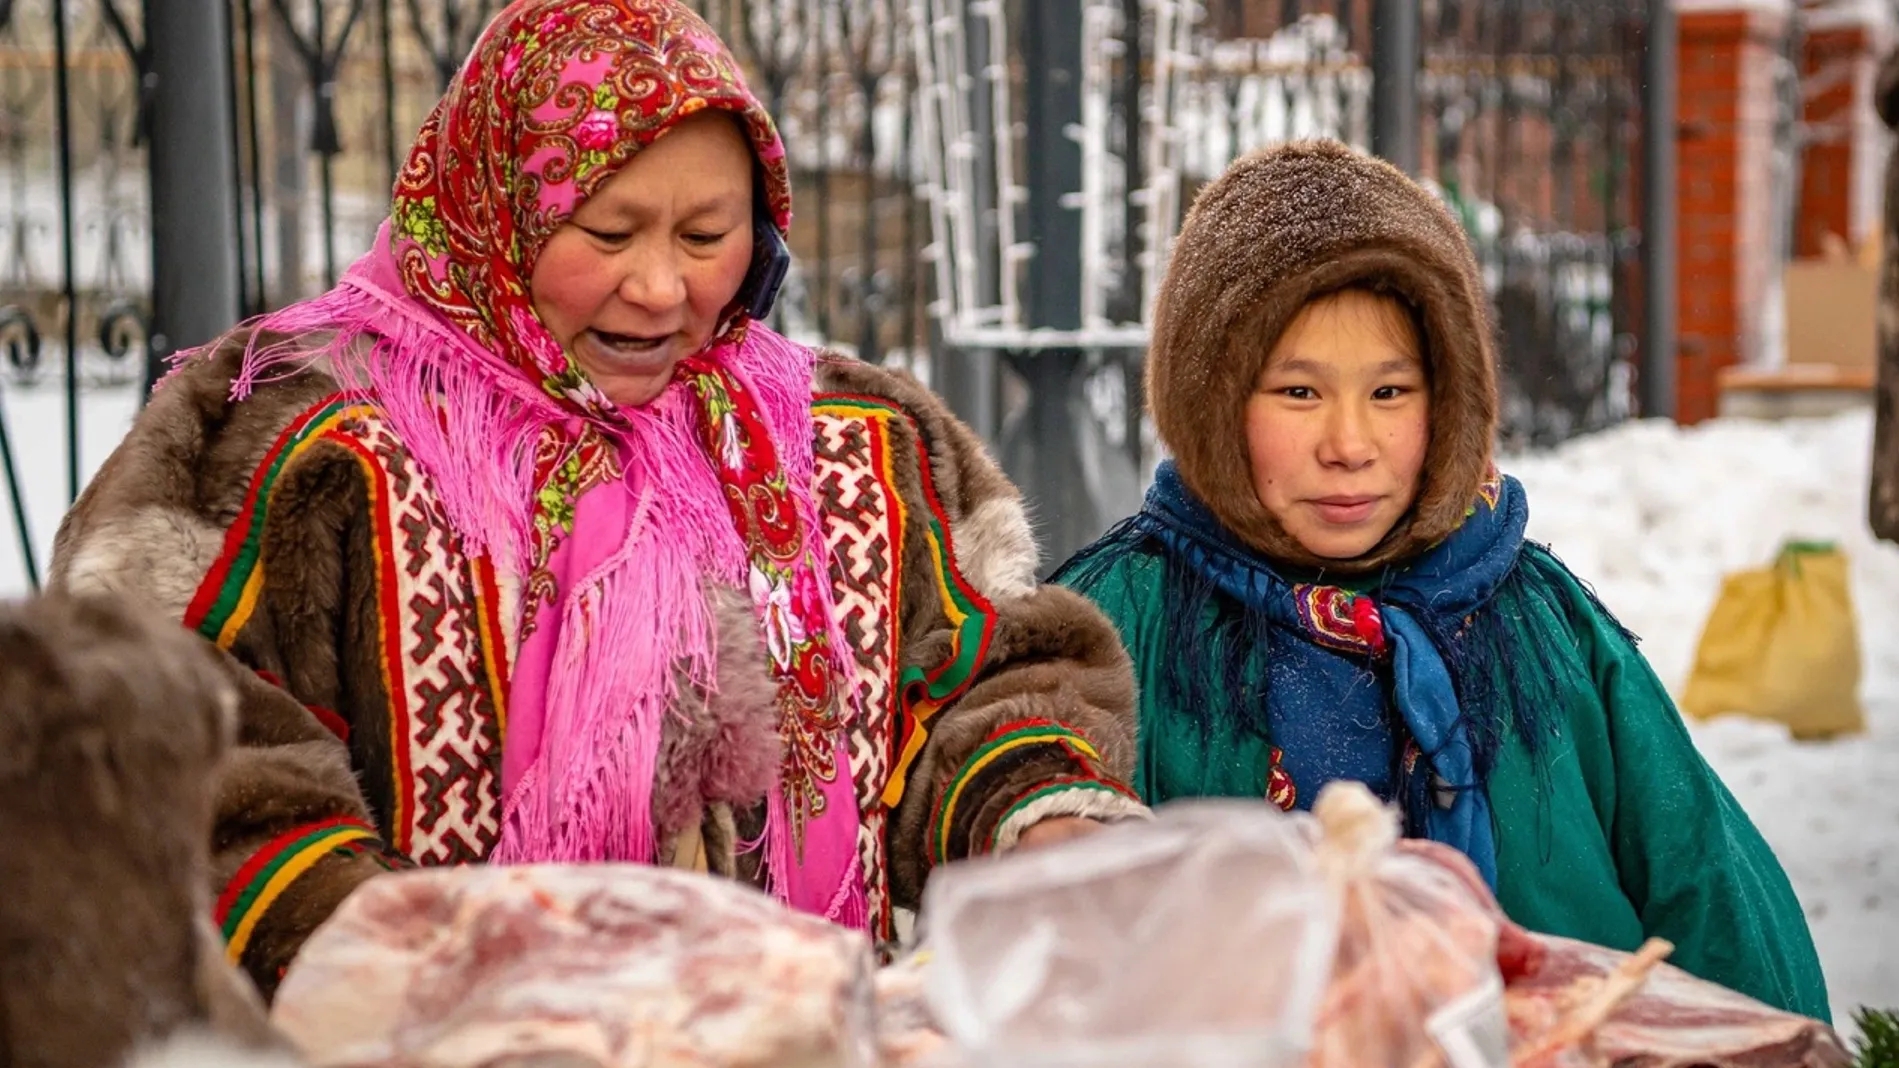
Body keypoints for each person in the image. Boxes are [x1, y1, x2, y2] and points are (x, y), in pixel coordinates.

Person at [50, 0, 1144, 999]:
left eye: (706, 237)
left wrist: (1038, 815)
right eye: (608, 235)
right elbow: (158, 748)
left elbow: (986, 684)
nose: (663, 288)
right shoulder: (289, 444)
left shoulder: (854, 447)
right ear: (497, 210)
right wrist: (392, 961)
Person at [1052, 140, 1831, 1019]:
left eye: (1390, 393)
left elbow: (1705, 888)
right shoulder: (1119, 625)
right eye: (1297, 394)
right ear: (1209, 398)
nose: (1348, 445)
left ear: (1449, 397)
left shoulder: (1539, 626)